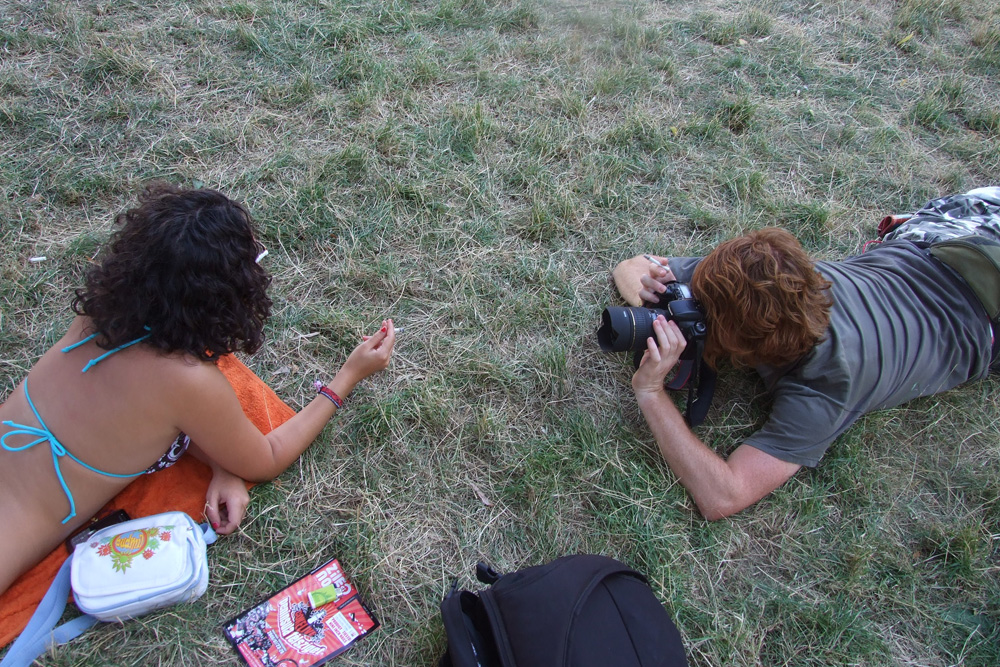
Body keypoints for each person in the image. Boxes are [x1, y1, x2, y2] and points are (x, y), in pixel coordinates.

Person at [0, 183, 396, 596]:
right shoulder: (186, 380)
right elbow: (267, 459)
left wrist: (221, 464)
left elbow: (135, 418)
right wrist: (347, 376)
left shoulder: (97, 318)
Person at [612, 187, 1000, 520]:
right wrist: (657, 298)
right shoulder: (767, 279)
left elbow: (723, 496)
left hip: (985, 311)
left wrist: (651, 393)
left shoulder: (828, 383)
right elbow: (632, 266)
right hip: (936, 241)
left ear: (746, 347)